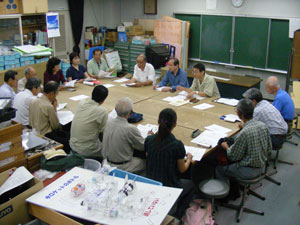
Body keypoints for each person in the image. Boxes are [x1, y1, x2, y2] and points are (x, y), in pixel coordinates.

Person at [145, 108, 194, 219]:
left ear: (158, 121)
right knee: (191, 185)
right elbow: (182, 169)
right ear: (175, 124)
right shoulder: (177, 145)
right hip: (169, 184)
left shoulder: (149, 140)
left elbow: (148, 156)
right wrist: (189, 159)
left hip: (151, 180)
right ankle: (178, 215)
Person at [216, 98, 272, 181]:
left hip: (249, 170)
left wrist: (225, 147)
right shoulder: (263, 126)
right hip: (262, 165)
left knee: (219, 169)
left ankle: (229, 193)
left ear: (239, 114)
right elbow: (269, 149)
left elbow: (233, 157)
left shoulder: (243, 133)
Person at [103, 97, 146, 173]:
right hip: (122, 166)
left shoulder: (107, 121)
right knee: (146, 162)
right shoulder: (130, 129)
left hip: (106, 162)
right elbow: (143, 146)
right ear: (131, 112)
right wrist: (149, 137)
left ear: (115, 110)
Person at [29, 81, 71, 152]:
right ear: (51, 94)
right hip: (45, 135)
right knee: (68, 135)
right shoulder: (49, 106)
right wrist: (54, 110)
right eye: (56, 94)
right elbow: (55, 126)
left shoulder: (33, 101)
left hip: (33, 130)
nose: (55, 97)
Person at [70, 85, 108, 160]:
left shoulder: (82, 102)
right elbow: (105, 132)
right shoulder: (102, 111)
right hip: (86, 150)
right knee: (110, 150)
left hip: (72, 144)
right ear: (104, 100)